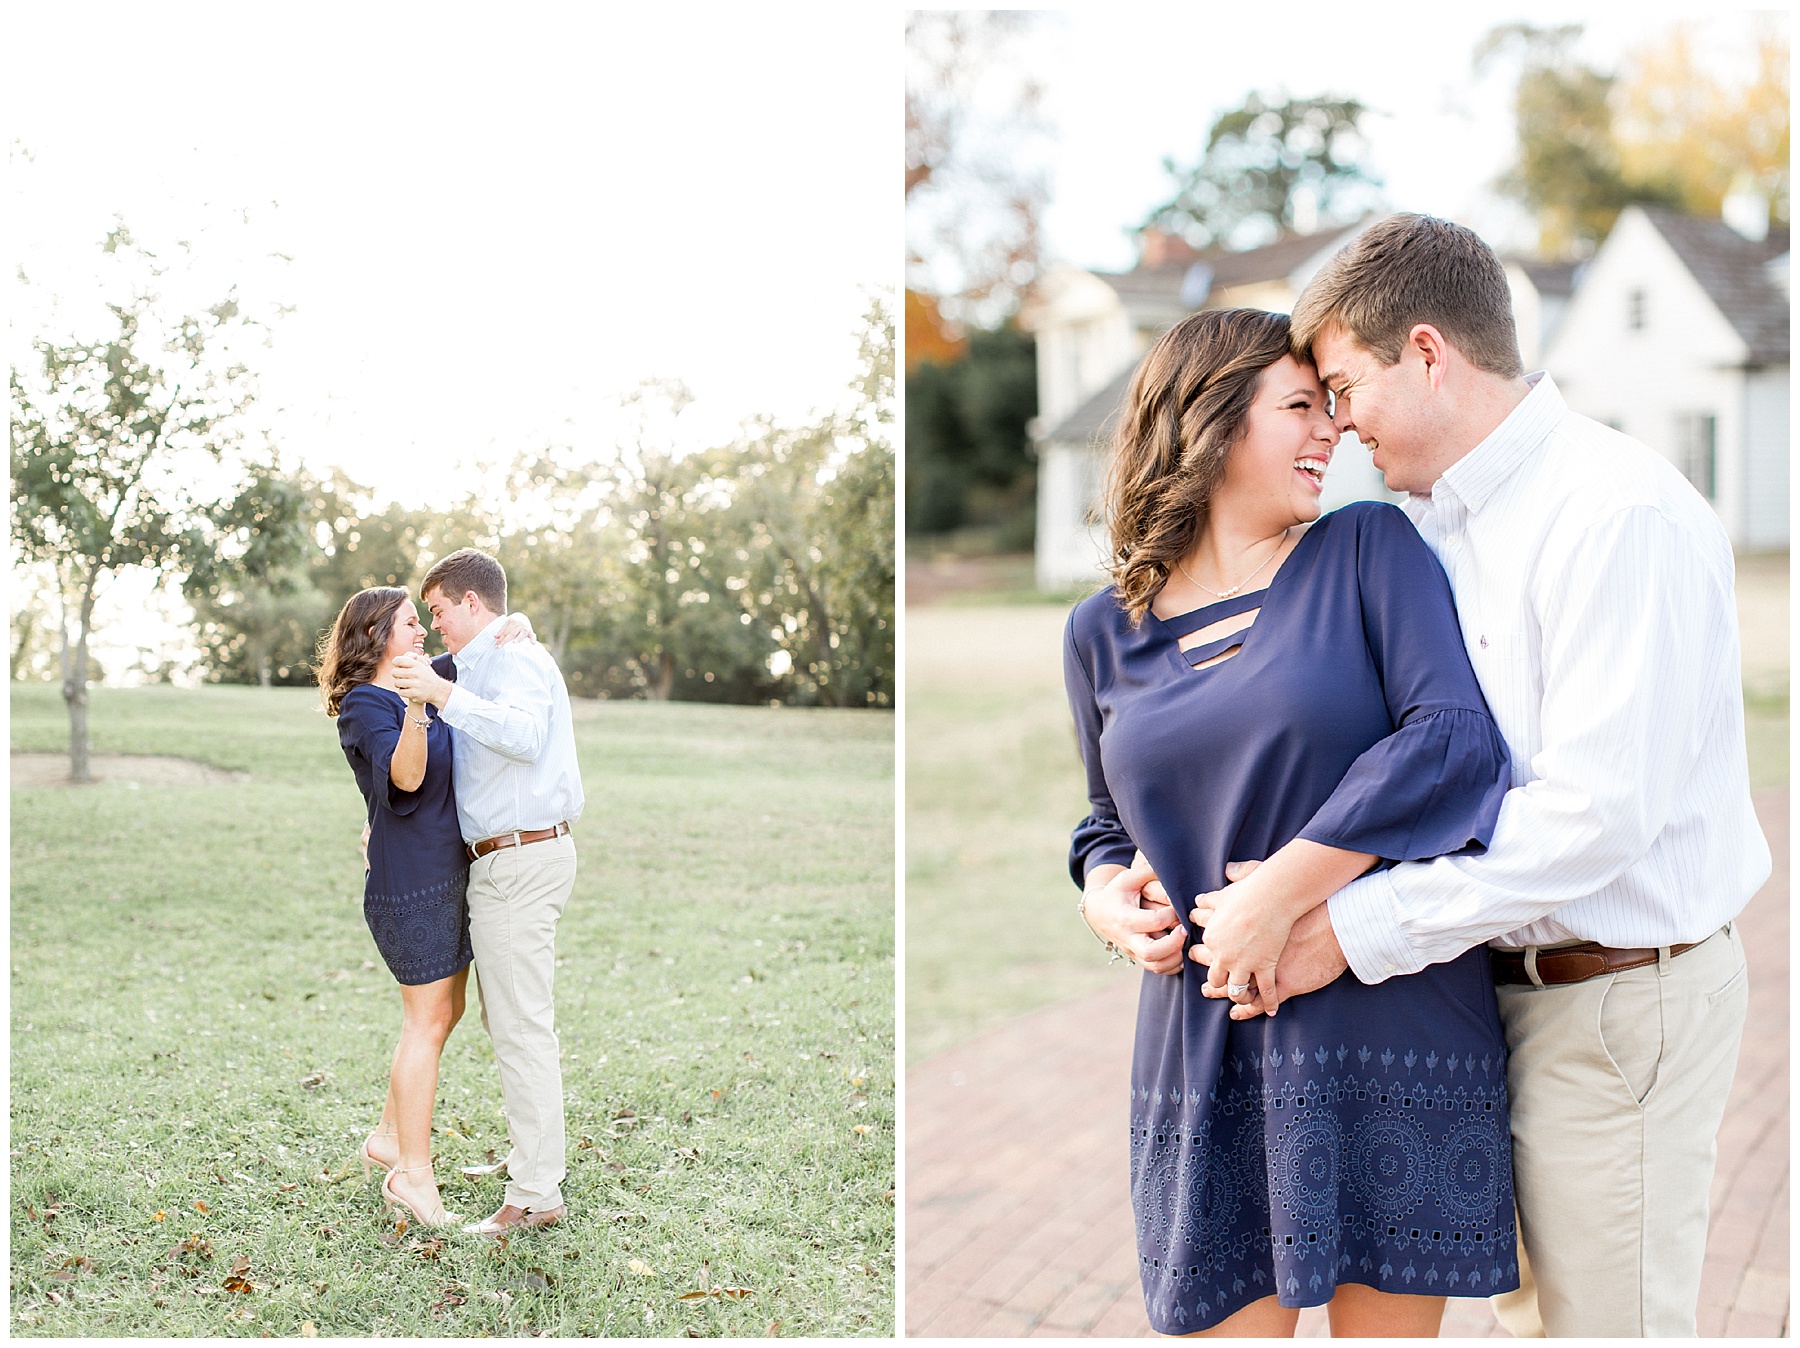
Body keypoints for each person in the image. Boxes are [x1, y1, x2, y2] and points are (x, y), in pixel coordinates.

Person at [1190, 213, 1767, 1337]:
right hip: (1485, 991)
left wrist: (1348, 929)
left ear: (1427, 352)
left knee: (1607, 1329)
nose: (1340, 428)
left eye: (1345, 388)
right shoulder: (1430, 528)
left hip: (1615, 1000)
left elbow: (1593, 818)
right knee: (1511, 1328)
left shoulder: (1615, 512)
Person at [1066, 306, 1519, 1337]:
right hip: (1205, 1037)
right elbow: (1103, 819)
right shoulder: (1102, 632)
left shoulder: (1369, 550)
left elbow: (1449, 741)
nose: (1333, 431)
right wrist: (1103, 895)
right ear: (1214, 422)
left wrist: (1280, 889)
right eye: (1300, 407)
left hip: (1387, 1029)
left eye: (1332, 405)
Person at [392, 547, 584, 1237]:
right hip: (501, 862)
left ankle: (537, 1194)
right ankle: (531, 1160)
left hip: (522, 859)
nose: (435, 625)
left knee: (522, 1028)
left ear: (474, 603)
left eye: (439, 611)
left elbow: (527, 737)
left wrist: (443, 694)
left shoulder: (517, 659)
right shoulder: (490, 659)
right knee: (511, 1023)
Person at [316, 586, 474, 1229]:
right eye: (412, 622)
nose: (424, 630)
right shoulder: (364, 705)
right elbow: (405, 777)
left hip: (448, 873)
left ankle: (387, 1134)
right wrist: (417, 705)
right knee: (426, 1022)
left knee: (447, 1010)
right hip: (410, 886)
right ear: (380, 635)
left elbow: (481, 646)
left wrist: (514, 627)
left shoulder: (431, 675)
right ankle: (412, 1174)